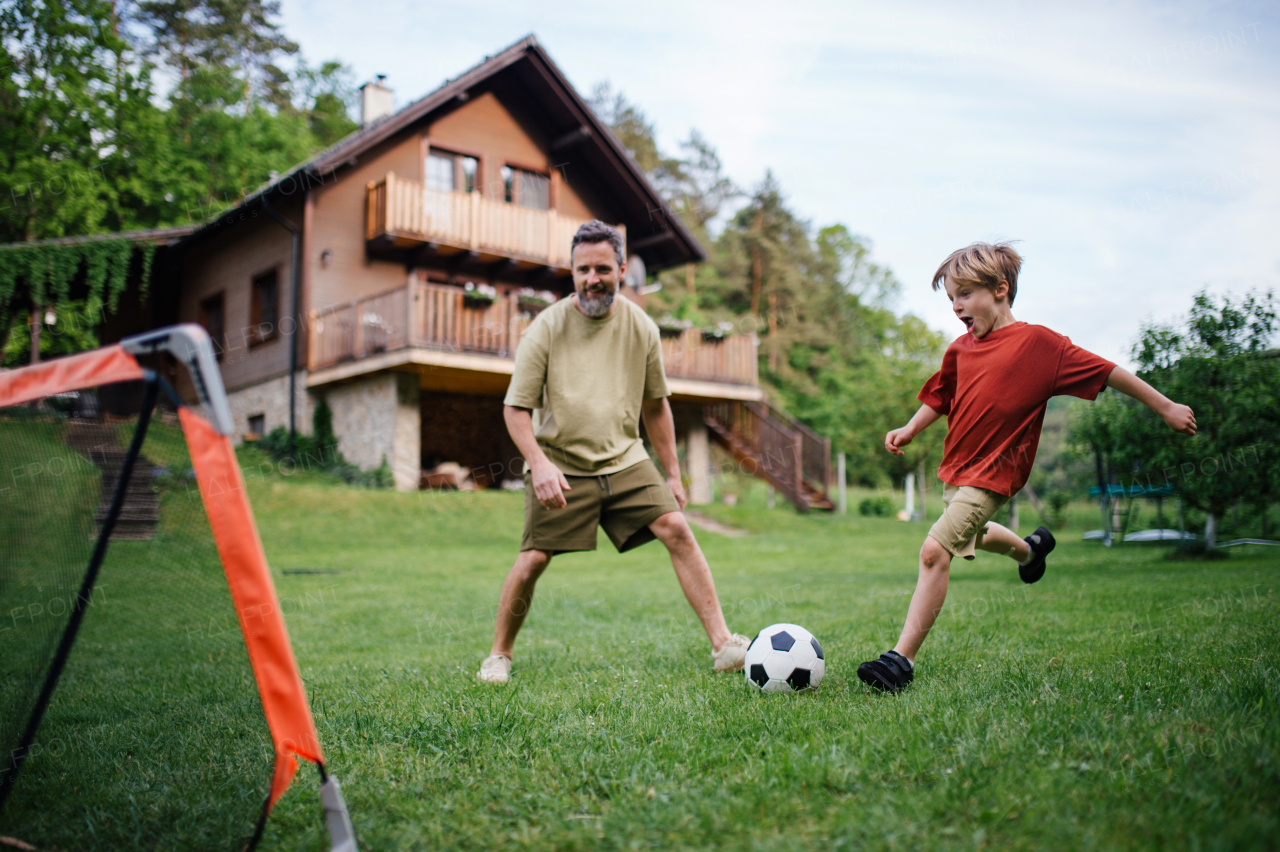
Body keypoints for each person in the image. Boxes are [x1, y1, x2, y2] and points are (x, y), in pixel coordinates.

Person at [857, 242, 1197, 694]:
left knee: (934, 552)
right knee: (972, 535)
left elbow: (1109, 371)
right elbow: (940, 397)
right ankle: (1031, 551)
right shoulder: (960, 349)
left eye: (964, 294)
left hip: (996, 473)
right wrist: (910, 428)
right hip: (957, 468)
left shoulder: (1040, 346)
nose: (956, 306)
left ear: (1000, 290)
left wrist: (1166, 405)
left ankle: (900, 661)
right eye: (951, 299)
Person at [476, 220, 750, 684]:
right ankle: (499, 655)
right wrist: (538, 465)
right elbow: (515, 410)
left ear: (622, 269)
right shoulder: (545, 329)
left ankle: (723, 645)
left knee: (677, 529)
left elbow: (656, 405)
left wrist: (673, 473)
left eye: (602, 268)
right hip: (560, 462)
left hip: (625, 458)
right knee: (534, 558)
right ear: (572, 271)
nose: (591, 279)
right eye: (582, 270)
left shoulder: (640, 327)